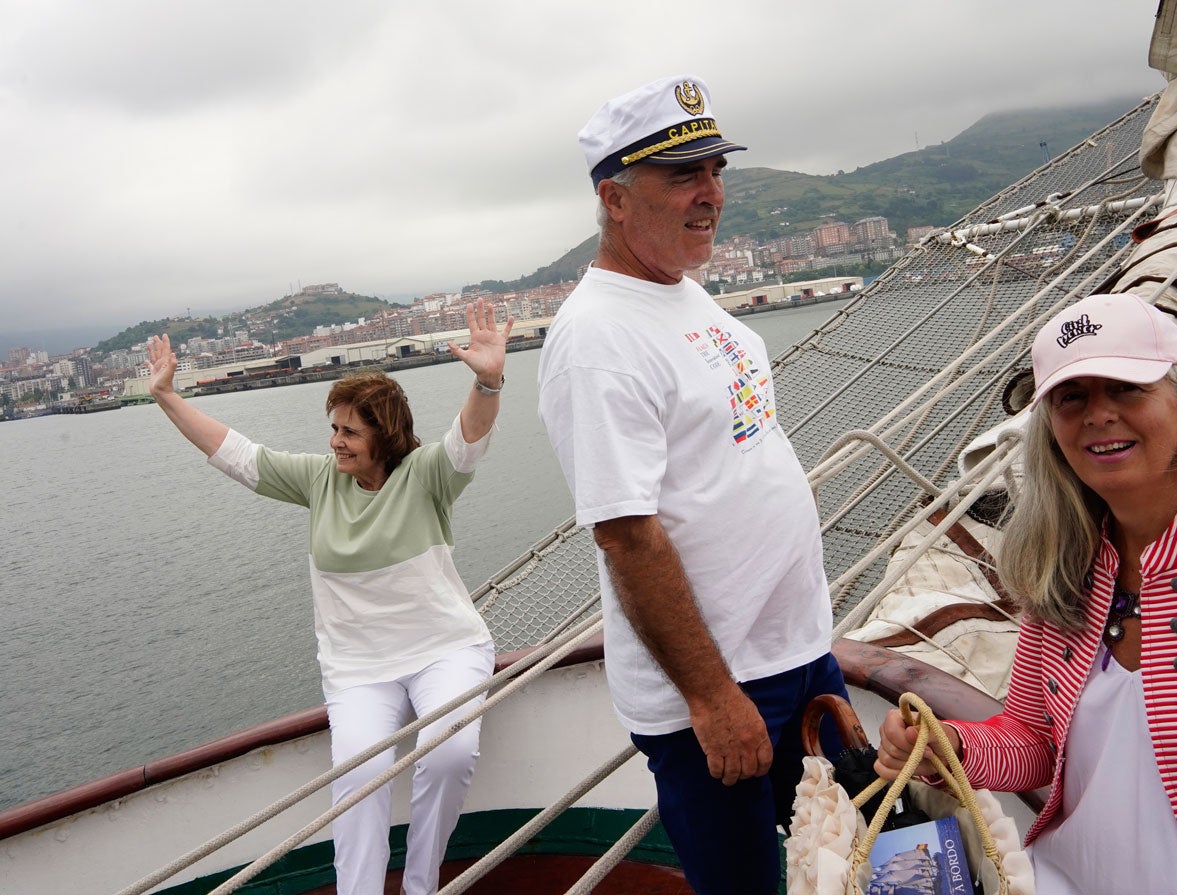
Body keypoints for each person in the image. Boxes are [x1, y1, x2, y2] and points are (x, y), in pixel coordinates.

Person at [874, 292, 1177, 895]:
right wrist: (948, 748)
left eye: (1127, 388)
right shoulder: (1065, 565)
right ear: (1050, 432)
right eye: (1073, 398)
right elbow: (1034, 743)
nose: (1099, 415)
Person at [536, 74, 846, 895]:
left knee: (848, 863)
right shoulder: (600, 336)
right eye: (684, 175)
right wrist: (712, 698)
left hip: (797, 656)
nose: (711, 193)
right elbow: (626, 534)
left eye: (715, 170)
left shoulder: (684, 293)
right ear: (614, 197)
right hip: (718, 688)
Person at [146, 300, 513, 895]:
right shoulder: (321, 480)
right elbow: (235, 453)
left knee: (448, 752)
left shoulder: (425, 476)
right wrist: (167, 396)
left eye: (350, 431)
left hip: (444, 649)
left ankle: (421, 886)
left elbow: (467, 439)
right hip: (359, 669)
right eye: (334, 429)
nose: (336, 442)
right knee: (360, 775)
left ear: (383, 435)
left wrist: (488, 379)